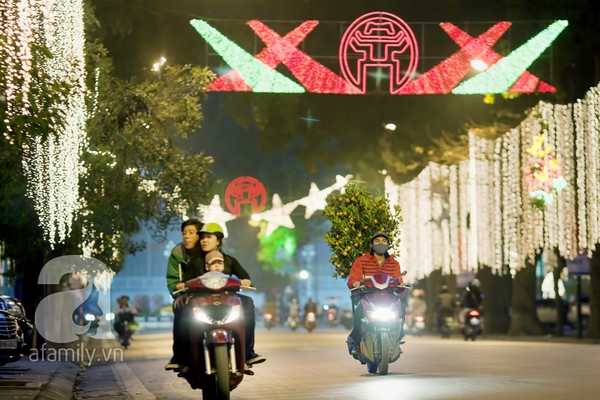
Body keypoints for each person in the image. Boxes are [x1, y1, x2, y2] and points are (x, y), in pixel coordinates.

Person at [191, 222, 266, 366]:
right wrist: (183, 286)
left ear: (218, 241)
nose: (204, 241)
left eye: (208, 237)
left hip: (228, 299)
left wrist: (245, 281)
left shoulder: (229, 260)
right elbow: (186, 282)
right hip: (202, 302)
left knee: (248, 302)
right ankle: (184, 357)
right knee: (184, 315)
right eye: (202, 238)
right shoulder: (195, 262)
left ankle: (248, 353)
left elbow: (244, 276)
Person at [346, 231, 404, 354]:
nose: (380, 244)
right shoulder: (361, 261)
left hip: (388, 297)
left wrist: (401, 285)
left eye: (383, 241)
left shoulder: (394, 263)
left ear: (388, 245)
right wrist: (356, 283)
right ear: (372, 245)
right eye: (377, 241)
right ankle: (355, 341)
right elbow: (353, 279)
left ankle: (398, 337)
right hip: (367, 296)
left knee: (402, 310)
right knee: (359, 314)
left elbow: (398, 280)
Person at [164, 218, 205, 371]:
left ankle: (245, 354)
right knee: (181, 310)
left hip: (213, 295)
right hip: (188, 297)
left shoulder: (211, 248)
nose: (186, 236)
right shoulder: (177, 253)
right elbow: (173, 279)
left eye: (191, 232)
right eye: (184, 233)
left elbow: (226, 269)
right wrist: (178, 294)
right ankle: (179, 357)